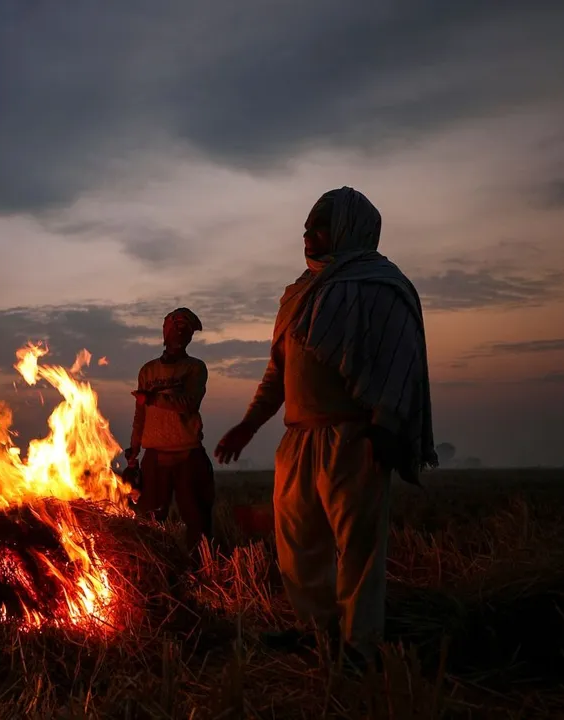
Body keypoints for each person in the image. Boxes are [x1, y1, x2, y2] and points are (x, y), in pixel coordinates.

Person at [214, 187, 437, 667]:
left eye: (318, 225)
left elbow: (399, 363)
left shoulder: (382, 287)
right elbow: (278, 371)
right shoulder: (299, 294)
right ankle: (315, 630)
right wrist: (249, 425)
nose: (306, 233)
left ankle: (360, 648)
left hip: (353, 439)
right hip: (298, 439)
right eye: (307, 224)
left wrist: (385, 427)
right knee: (298, 545)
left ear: (347, 229)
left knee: (358, 549)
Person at [126, 308, 215, 551]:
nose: (178, 333)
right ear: (165, 330)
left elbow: (189, 403)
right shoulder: (148, 371)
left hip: (188, 454)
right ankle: (154, 565)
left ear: (190, 336)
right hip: (155, 456)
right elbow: (140, 415)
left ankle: (200, 565)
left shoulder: (195, 368)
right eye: (174, 327)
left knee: (198, 521)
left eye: (185, 329)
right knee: (149, 520)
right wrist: (134, 451)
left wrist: (153, 399)